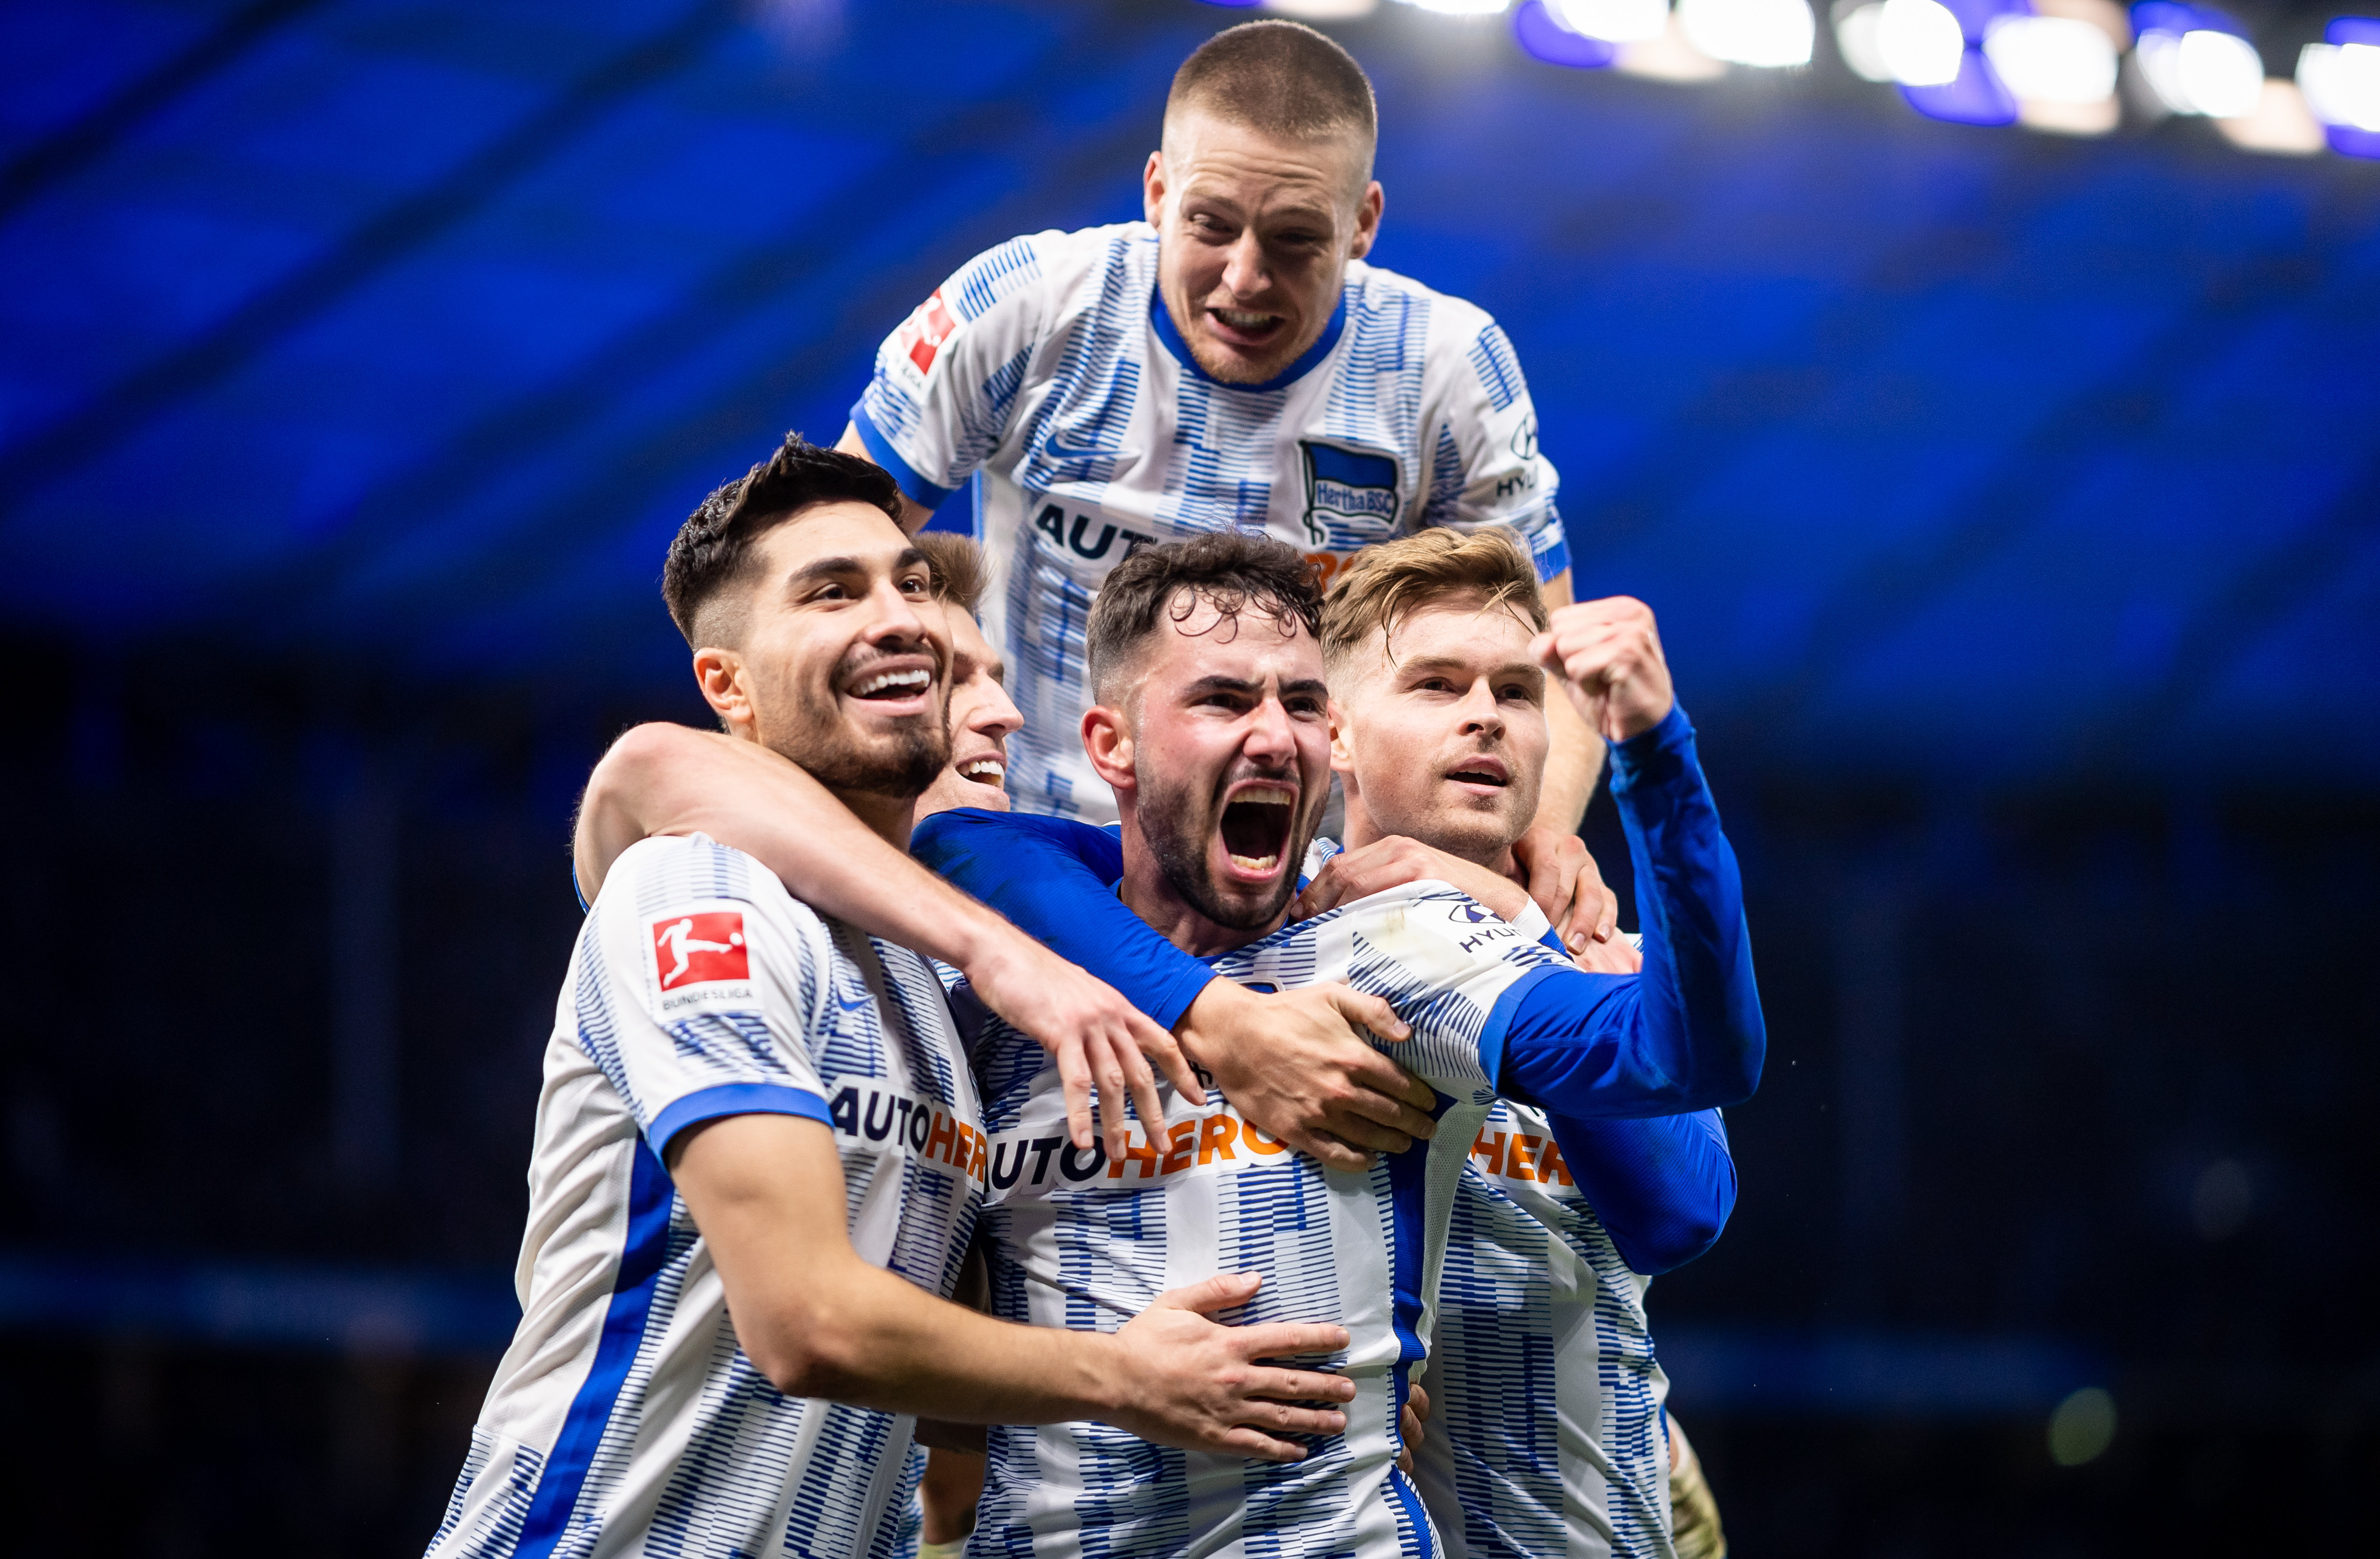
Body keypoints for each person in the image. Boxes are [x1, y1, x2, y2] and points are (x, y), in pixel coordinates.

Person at [424, 441, 1366, 1559]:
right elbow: (810, 1324)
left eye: (909, 583)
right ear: (729, 687)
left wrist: (1305, 1382)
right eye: (833, 591)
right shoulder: (699, 890)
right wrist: (1128, 1377)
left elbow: (942, 1379)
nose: (903, 617)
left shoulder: (929, 988)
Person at [917, 532, 1761, 1558]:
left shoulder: (1604, 959)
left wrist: (1514, 909)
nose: (1484, 715)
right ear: (1346, 736)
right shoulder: (1231, 941)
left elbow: (1676, 1211)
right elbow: (976, 845)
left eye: (1514, 692)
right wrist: (1210, 1010)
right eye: (1436, 684)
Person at [838, 20, 1613, 929]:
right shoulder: (1026, 307)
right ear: (1157, 191)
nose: (1244, 278)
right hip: (1028, 854)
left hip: (1302, 893)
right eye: (1210, 225)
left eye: (1293, 239)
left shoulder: (1442, 371)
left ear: (1362, 222)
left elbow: (1553, 658)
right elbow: (827, 562)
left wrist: (1547, 830)